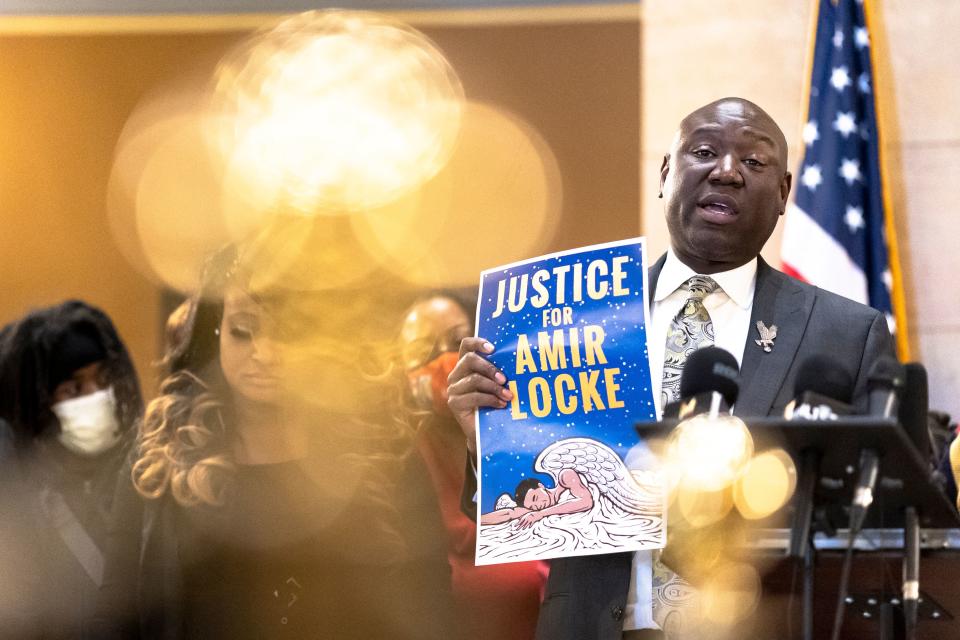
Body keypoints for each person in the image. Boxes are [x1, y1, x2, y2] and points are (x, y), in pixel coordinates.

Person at [446, 97, 895, 640]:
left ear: (783, 195)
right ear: (665, 173)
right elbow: (523, 515)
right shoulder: (570, 318)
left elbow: (874, 522)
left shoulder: (845, 333)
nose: (726, 172)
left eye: (753, 163)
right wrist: (488, 446)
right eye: (704, 151)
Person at [97, 245, 458, 640]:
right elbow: (118, 614)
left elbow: (430, 609)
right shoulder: (163, 455)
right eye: (243, 331)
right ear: (216, 330)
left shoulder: (385, 454)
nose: (264, 354)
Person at [399, 293, 548, 640]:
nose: (444, 359)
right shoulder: (397, 459)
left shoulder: (520, 430)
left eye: (456, 341)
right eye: (423, 349)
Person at [0, 300, 143, 638]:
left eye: (105, 380)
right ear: (37, 405)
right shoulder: (17, 505)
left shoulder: (144, 477)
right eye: (74, 388)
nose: (99, 397)